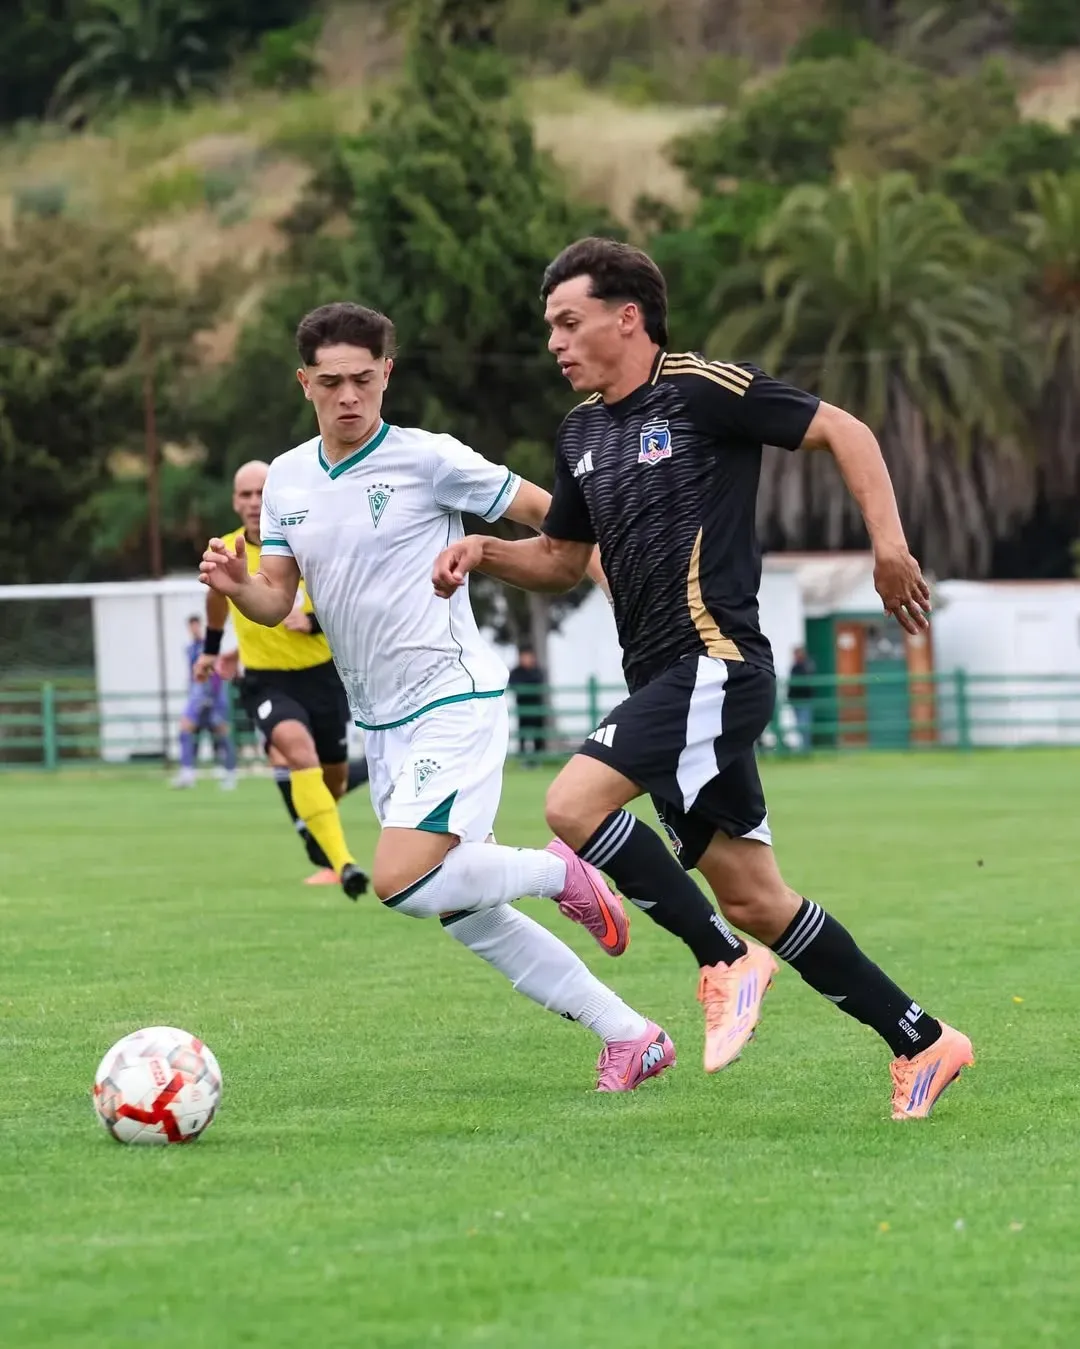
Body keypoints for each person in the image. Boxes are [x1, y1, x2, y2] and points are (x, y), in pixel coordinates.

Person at [432, 237, 974, 1120]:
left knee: (572, 808)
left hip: (717, 664)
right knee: (758, 897)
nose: (555, 343)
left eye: (569, 323)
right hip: (665, 684)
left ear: (627, 317)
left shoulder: (697, 389)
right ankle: (920, 1038)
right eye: (549, 328)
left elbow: (846, 429)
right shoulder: (579, 434)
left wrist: (889, 545)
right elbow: (565, 560)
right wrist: (485, 549)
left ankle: (718, 960)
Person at [199, 300, 674, 1093]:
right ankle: (630, 1034)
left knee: (401, 878)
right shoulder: (284, 478)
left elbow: (553, 515)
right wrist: (238, 584)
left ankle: (563, 874)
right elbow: (278, 601)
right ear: (303, 383)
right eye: (330, 382)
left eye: (363, 379)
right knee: (465, 909)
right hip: (379, 720)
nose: (348, 396)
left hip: (452, 695)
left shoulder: (429, 458)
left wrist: (609, 569)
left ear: (387, 373)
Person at [194, 461, 368, 900]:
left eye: (261, 492)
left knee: (334, 781)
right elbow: (217, 598)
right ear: (235, 501)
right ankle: (344, 863)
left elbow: (351, 605)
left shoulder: (306, 541)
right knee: (296, 749)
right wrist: (212, 651)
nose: (253, 503)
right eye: (245, 495)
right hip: (267, 681)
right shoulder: (229, 549)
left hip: (323, 677)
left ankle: (315, 829)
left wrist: (310, 622)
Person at [172, 616, 237, 790]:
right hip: (196, 698)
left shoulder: (208, 647)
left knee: (222, 734)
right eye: (191, 626)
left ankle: (230, 774)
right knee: (185, 730)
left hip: (214, 698)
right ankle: (187, 773)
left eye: (196, 626)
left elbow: (216, 672)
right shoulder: (190, 648)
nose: (194, 629)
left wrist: (213, 696)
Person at [507, 646, 547, 759]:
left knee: (538, 733)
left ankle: (538, 757)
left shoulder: (537, 670)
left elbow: (538, 682)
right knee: (523, 733)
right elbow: (513, 683)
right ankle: (523, 758)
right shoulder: (516, 671)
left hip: (536, 707)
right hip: (522, 707)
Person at [788, 645, 816, 751]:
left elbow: (807, 681)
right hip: (796, 699)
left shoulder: (807, 665)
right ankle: (804, 748)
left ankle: (806, 748)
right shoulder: (795, 666)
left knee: (804, 725)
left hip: (804, 699)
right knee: (800, 725)